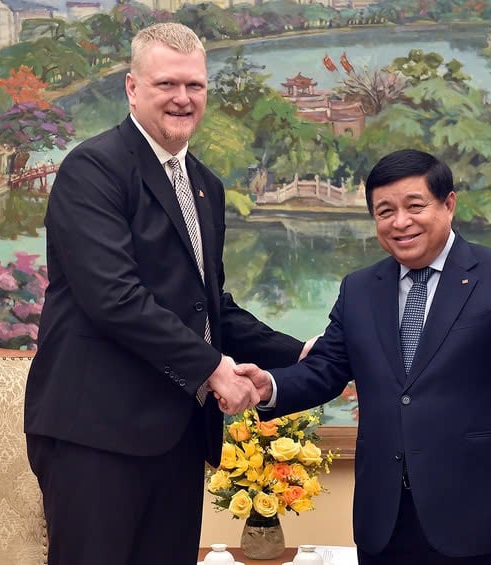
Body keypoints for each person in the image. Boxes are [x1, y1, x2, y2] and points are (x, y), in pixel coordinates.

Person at [23, 23, 308, 565]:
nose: (183, 98)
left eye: (195, 86)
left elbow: (210, 306)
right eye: (167, 84)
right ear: (132, 88)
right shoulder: (94, 168)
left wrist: (301, 354)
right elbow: (115, 297)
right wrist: (214, 369)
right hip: (96, 436)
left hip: (177, 434)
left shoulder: (205, 184)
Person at [237, 149, 491, 564]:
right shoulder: (359, 289)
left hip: (477, 512)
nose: (400, 222)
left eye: (414, 206)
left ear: (448, 204)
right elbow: (327, 368)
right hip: (384, 517)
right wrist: (271, 385)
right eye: (384, 211)